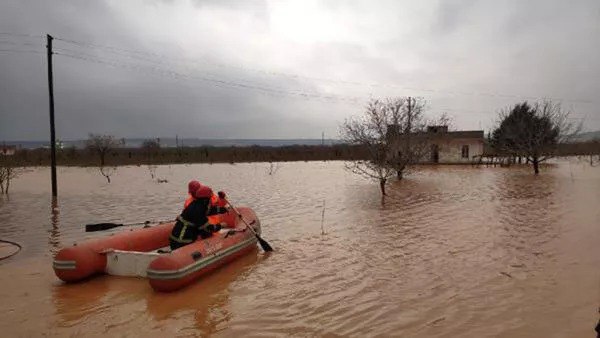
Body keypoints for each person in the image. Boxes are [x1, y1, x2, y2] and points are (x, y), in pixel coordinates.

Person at [170, 185, 222, 250]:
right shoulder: (199, 211)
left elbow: (209, 211)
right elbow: (208, 228)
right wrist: (220, 226)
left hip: (174, 241)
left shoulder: (194, 205)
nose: (210, 201)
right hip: (182, 243)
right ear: (205, 200)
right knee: (206, 233)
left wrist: (222, 210)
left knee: (203, 231)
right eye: (209, 199)